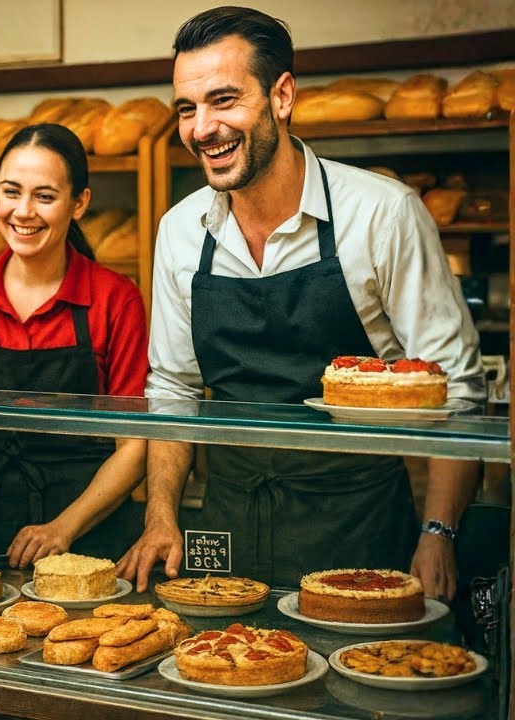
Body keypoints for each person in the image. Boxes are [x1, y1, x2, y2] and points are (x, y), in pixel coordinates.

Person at [117, 6, 484, 601]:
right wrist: (162, 515)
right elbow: (173, 390)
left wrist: (438, 532)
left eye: (224, 100)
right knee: (229, 670)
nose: (202, 128)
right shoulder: (180, 231)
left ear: (282, 96)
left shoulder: (382, 214)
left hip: (357, 518)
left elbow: (456, 393)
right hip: (228, 516)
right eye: (188, 109)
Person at [0, 123, 149, 568]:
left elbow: (134, 445)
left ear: (79, 203)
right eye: (11, 191)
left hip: (89, 540)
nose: (23, 211)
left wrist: (63, 528)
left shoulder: (115, 299)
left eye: (44, 196)